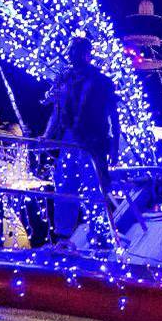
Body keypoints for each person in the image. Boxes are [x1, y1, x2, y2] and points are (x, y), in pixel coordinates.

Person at [44, 36, 121, 246]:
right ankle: (63, 235)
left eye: (76, 51)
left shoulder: (102, 82)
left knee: (94, 187)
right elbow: (57, 111)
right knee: (64, 185)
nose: (72, 55)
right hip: (70, 140)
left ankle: (99, 233)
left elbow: (113, 114)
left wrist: (114, 146)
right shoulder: (65, 79)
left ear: (87, 54)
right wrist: (46, 136)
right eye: (71, 51)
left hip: (93, 141)